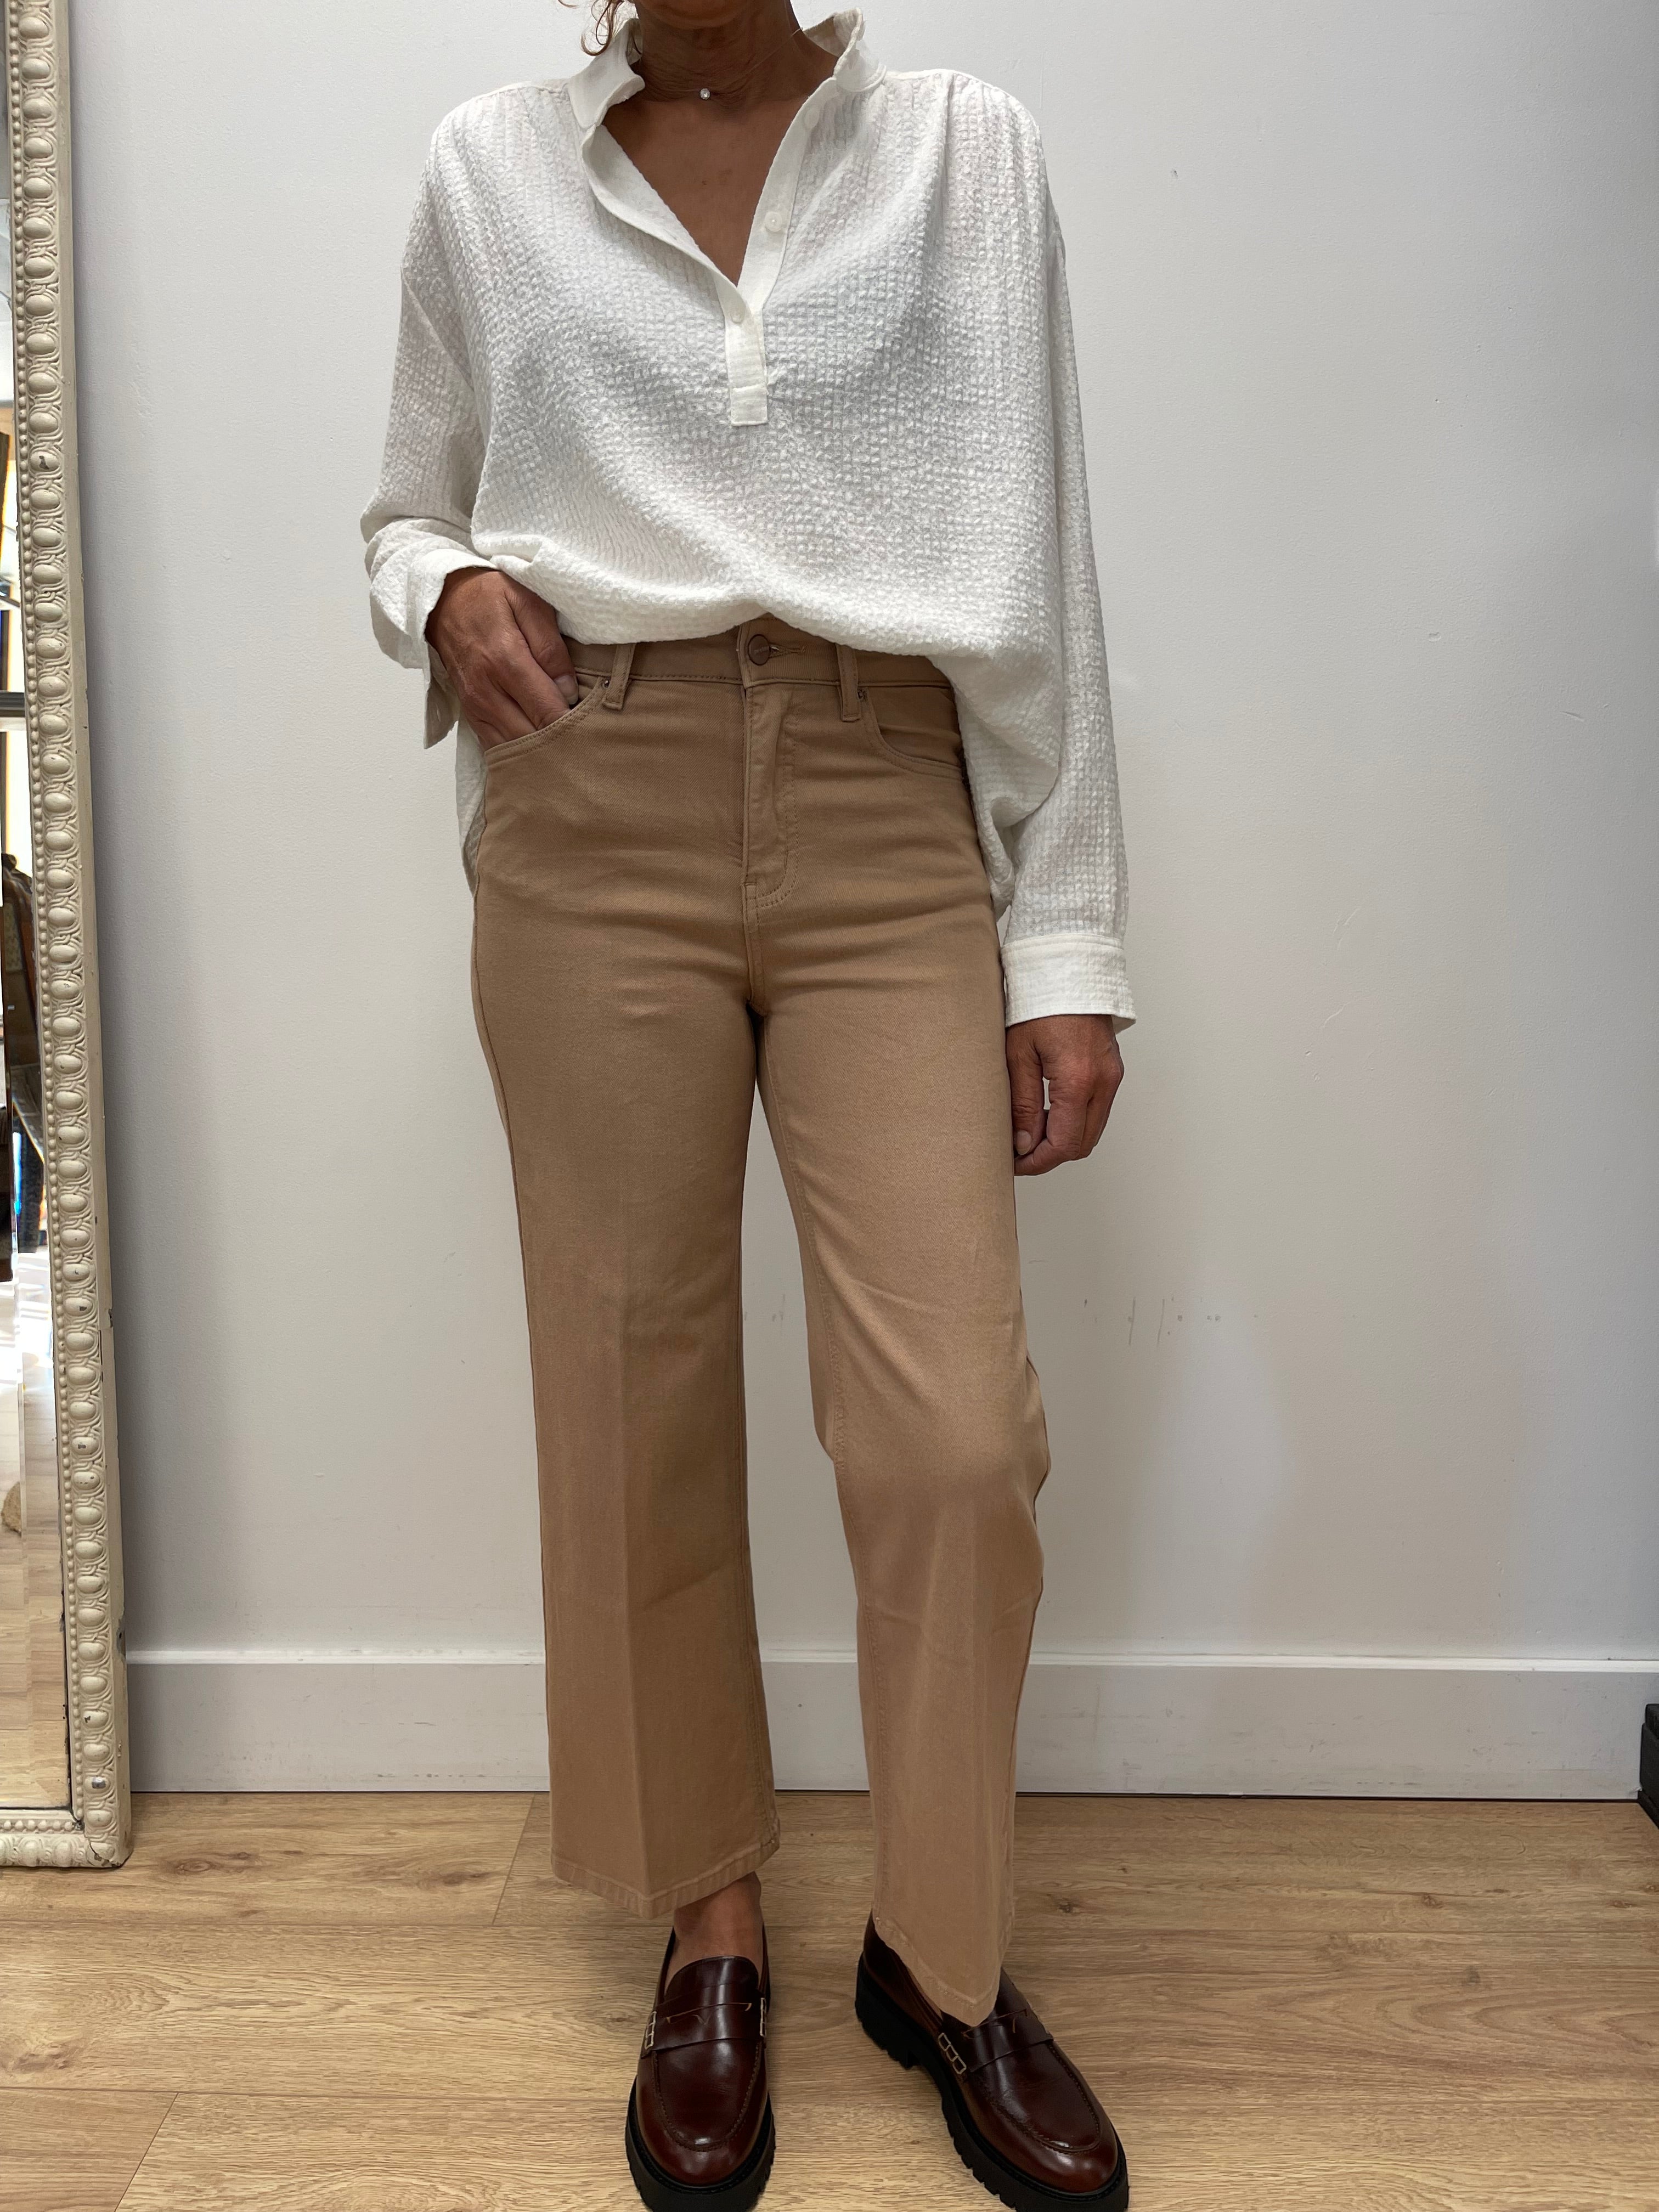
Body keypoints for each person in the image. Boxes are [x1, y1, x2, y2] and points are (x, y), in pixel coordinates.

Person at [362, 4, 1134, 2205]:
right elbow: (404, 506)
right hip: (591, 797)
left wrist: (1067, 939)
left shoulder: (965, 152)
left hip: (892, 796)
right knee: (632, 1388)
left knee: (953, 1436)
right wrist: (445, 589)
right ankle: (707, 1926)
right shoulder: (488, 169)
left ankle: (944, 1955)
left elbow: (1044, 556)